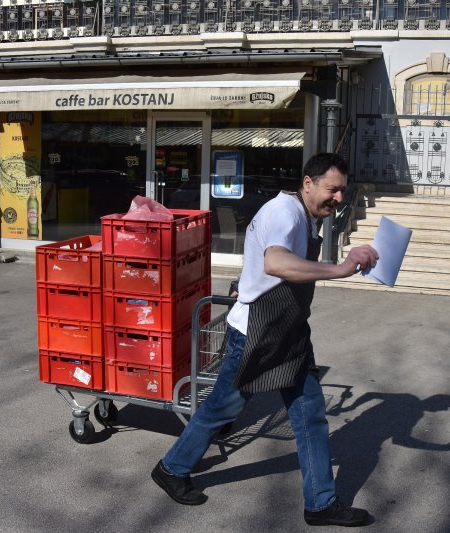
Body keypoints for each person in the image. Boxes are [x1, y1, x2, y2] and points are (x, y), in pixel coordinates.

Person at [151, 153, 379, 527]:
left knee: (310, 417)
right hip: (257, 332)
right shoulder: (283, 213)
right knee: (222, 409)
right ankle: (171, 468)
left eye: (343, 190)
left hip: (287, 331)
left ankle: (321, 504)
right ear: (308, 183)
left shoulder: (301, 213)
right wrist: (339, 268)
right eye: (332, 189)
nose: (339, 198)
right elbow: (276, 263)